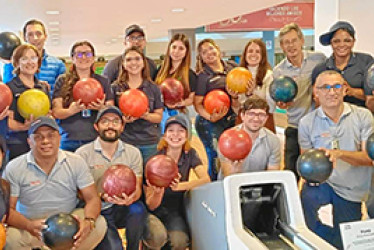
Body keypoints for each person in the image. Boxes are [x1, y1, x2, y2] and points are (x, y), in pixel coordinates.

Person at [2, 116, 107, 250]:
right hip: (31, 226)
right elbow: (7, 210)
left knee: (99, 224)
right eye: (38, 137)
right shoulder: (14, 167)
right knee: (10, 238)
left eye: (51, 135)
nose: (45, 141)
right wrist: (28, 225)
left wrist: (89, 221)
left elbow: (92, 198)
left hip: (68, 226)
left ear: (59, 138)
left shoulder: (76, 162)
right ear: (29, 141)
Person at [298, 70, 373, 249]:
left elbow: (370, 159)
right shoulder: (306, 122)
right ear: (316, 92)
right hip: (323, 184)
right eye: (325, 87)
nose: (332, 92)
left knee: (345, 242)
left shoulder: (363, 117)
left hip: (351, 188)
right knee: (306, 224)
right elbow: (306, 162)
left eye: (337, 86)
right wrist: (309, 179)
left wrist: (339, 154)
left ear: (345, 89)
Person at [76, 106, 147, 250]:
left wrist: (131, 198)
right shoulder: (82, 154)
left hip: (124, 206)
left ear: (122, 127)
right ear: (96, 126)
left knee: (138, 210)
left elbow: (138, 187)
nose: (110, 126)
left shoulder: (133, 152)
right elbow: (78, 192)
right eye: (105, 121)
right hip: (100, 209)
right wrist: (100, 197)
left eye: (115, 122)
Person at [143, 115, 210, 249]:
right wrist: (158, 193)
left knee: (179, 241)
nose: (175, 135)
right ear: (165, 135)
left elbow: (205, 179)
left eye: (180, 130)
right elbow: (150, 205)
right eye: (171, 130)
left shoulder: (190, 154)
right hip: (153, 211)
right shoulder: (153, 159)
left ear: (187, 135)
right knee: (158, 237)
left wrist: (181, 186)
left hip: (174, 210)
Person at [272, 23, 326, 181]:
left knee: (320, 167)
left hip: (318, 124)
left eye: (294, 40)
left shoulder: (318, 59)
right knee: (290, 170)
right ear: (282, 46)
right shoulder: (279, 71)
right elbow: (279, 100)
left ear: (302, 41)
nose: (291, 45)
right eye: (286, 42)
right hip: (295, 125)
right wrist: (282, 104)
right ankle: (290, 203)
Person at [52, 41, 114, 152]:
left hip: (96, 140)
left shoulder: (103, 81)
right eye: (79, 54)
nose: (84, 57)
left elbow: (111, 110)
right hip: (69, 140)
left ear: (93, 58)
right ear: (72, 58)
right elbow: (56, 112)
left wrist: (101, 108)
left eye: (88, 54)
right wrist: (71, 111)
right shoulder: (62, 80)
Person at [193, 38, 239, 181]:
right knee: (216, 157)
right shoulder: (202, 76)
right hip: (209, 123)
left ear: (218, 50)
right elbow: (197, 103)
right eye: (204, 52)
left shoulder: (232, 66)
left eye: (211, 48)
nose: (209, 53)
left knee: (233, 155)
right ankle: (214, 188)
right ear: (201, 58)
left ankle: (230, 185)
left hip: (231, 118)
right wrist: (210, 117)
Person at [112, 46, 163, 164]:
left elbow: (158, 117)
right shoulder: (115, 87)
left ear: (143, 63)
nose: (133, 63)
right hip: (124, 141)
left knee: (148, 179)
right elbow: (111, 115)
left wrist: (145, 115)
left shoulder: (153, 87)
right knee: (126, 179)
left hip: (149, 142)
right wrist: (122, 120)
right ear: (123, 64)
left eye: (137, 59)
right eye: (129, 60)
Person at [312, 21, 373, 107]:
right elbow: (317, 102)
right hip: (331, 118)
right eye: (336, 41)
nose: (342, 45)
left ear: (353, 41)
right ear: (331, 43)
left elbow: (371, 97)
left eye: (347, 41)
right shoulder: (321, 69)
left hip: (360, 117)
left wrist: (351, 91)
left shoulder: (366, 61)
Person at [218, 96, 280, 179]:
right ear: (242, 116)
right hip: (230, 185)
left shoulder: (273, 140)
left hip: (257, 187)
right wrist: (236, 171)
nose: (256, 118)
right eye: (251, 114)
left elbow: (273, 175)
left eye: (261, 114)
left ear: (266, 118)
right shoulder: (227, 138)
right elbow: (227, 175)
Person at [7, 44, 50, 160]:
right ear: (17, 63)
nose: (30, 62)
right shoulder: (9, 88)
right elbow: (8, 121)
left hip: (40, 142)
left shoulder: (43, 87)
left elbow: (48, 113)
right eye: (24, 59)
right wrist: (24, 127)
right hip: (18, 143)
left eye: (33, 58)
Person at [2, 19, 66, 95]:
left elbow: (62, 94)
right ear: (24, 38)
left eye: (38, 34)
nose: (35, 38)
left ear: (45, 36)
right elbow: (7, 91)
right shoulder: (13, 64)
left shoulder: (58, 64)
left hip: (49, 105)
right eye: (30, 34)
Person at [155, 33, 197, 134]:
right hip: (161, 115)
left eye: (181, 48)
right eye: (174, 47)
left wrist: (182, 103)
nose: (176, 51)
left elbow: (192, 99)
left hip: (179, 114)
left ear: (186, 52)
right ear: (169, 48)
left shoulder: (190, 74)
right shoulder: (160, 71)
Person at [239, 39, 276, 132]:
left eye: (258, 51)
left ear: (262, 56)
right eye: (250, 51)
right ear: (245, 54)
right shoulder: (237, 74)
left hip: (264, 121)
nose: (253, 54)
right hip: (243, 121)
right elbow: (238, 106)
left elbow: (271, 107)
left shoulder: (268, 75)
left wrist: (252, 94)